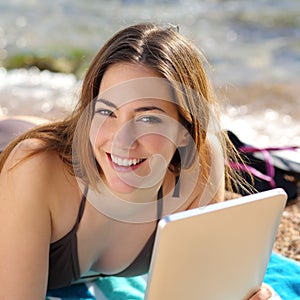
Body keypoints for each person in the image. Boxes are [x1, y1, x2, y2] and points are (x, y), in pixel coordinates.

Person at [0, 23, 274, 299]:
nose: (122, 140)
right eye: (107, 111)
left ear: (184, 130)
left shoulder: (200, 165)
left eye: (147, 118)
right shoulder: (35, 171)